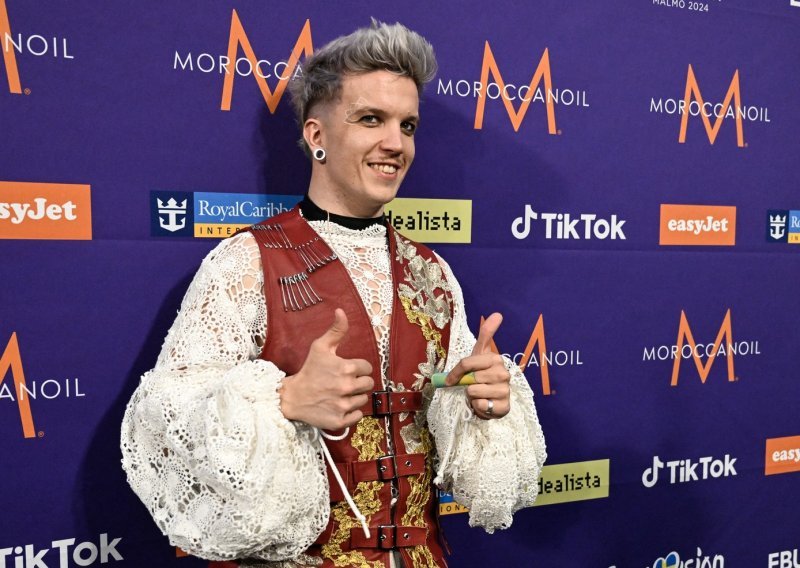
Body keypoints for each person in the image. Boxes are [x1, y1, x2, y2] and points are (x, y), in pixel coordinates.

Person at [121, 20, 546, 568]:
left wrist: (478, 400)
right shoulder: (245, 263)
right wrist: (282, 402)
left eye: (408, 125)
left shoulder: (433, 274)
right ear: (316, 136)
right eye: (371, 119)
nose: (395, 143)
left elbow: (455, 443)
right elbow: (166, 418)